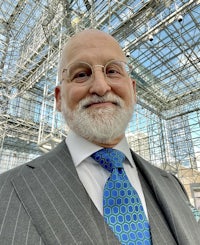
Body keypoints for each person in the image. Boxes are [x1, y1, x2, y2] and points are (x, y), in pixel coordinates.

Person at [0, 29, 199, 245]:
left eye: (113, 71)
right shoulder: (5, 191)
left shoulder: (172, 185)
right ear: (58, 99)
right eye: (81, 74)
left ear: (133, 91)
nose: (101, 87)